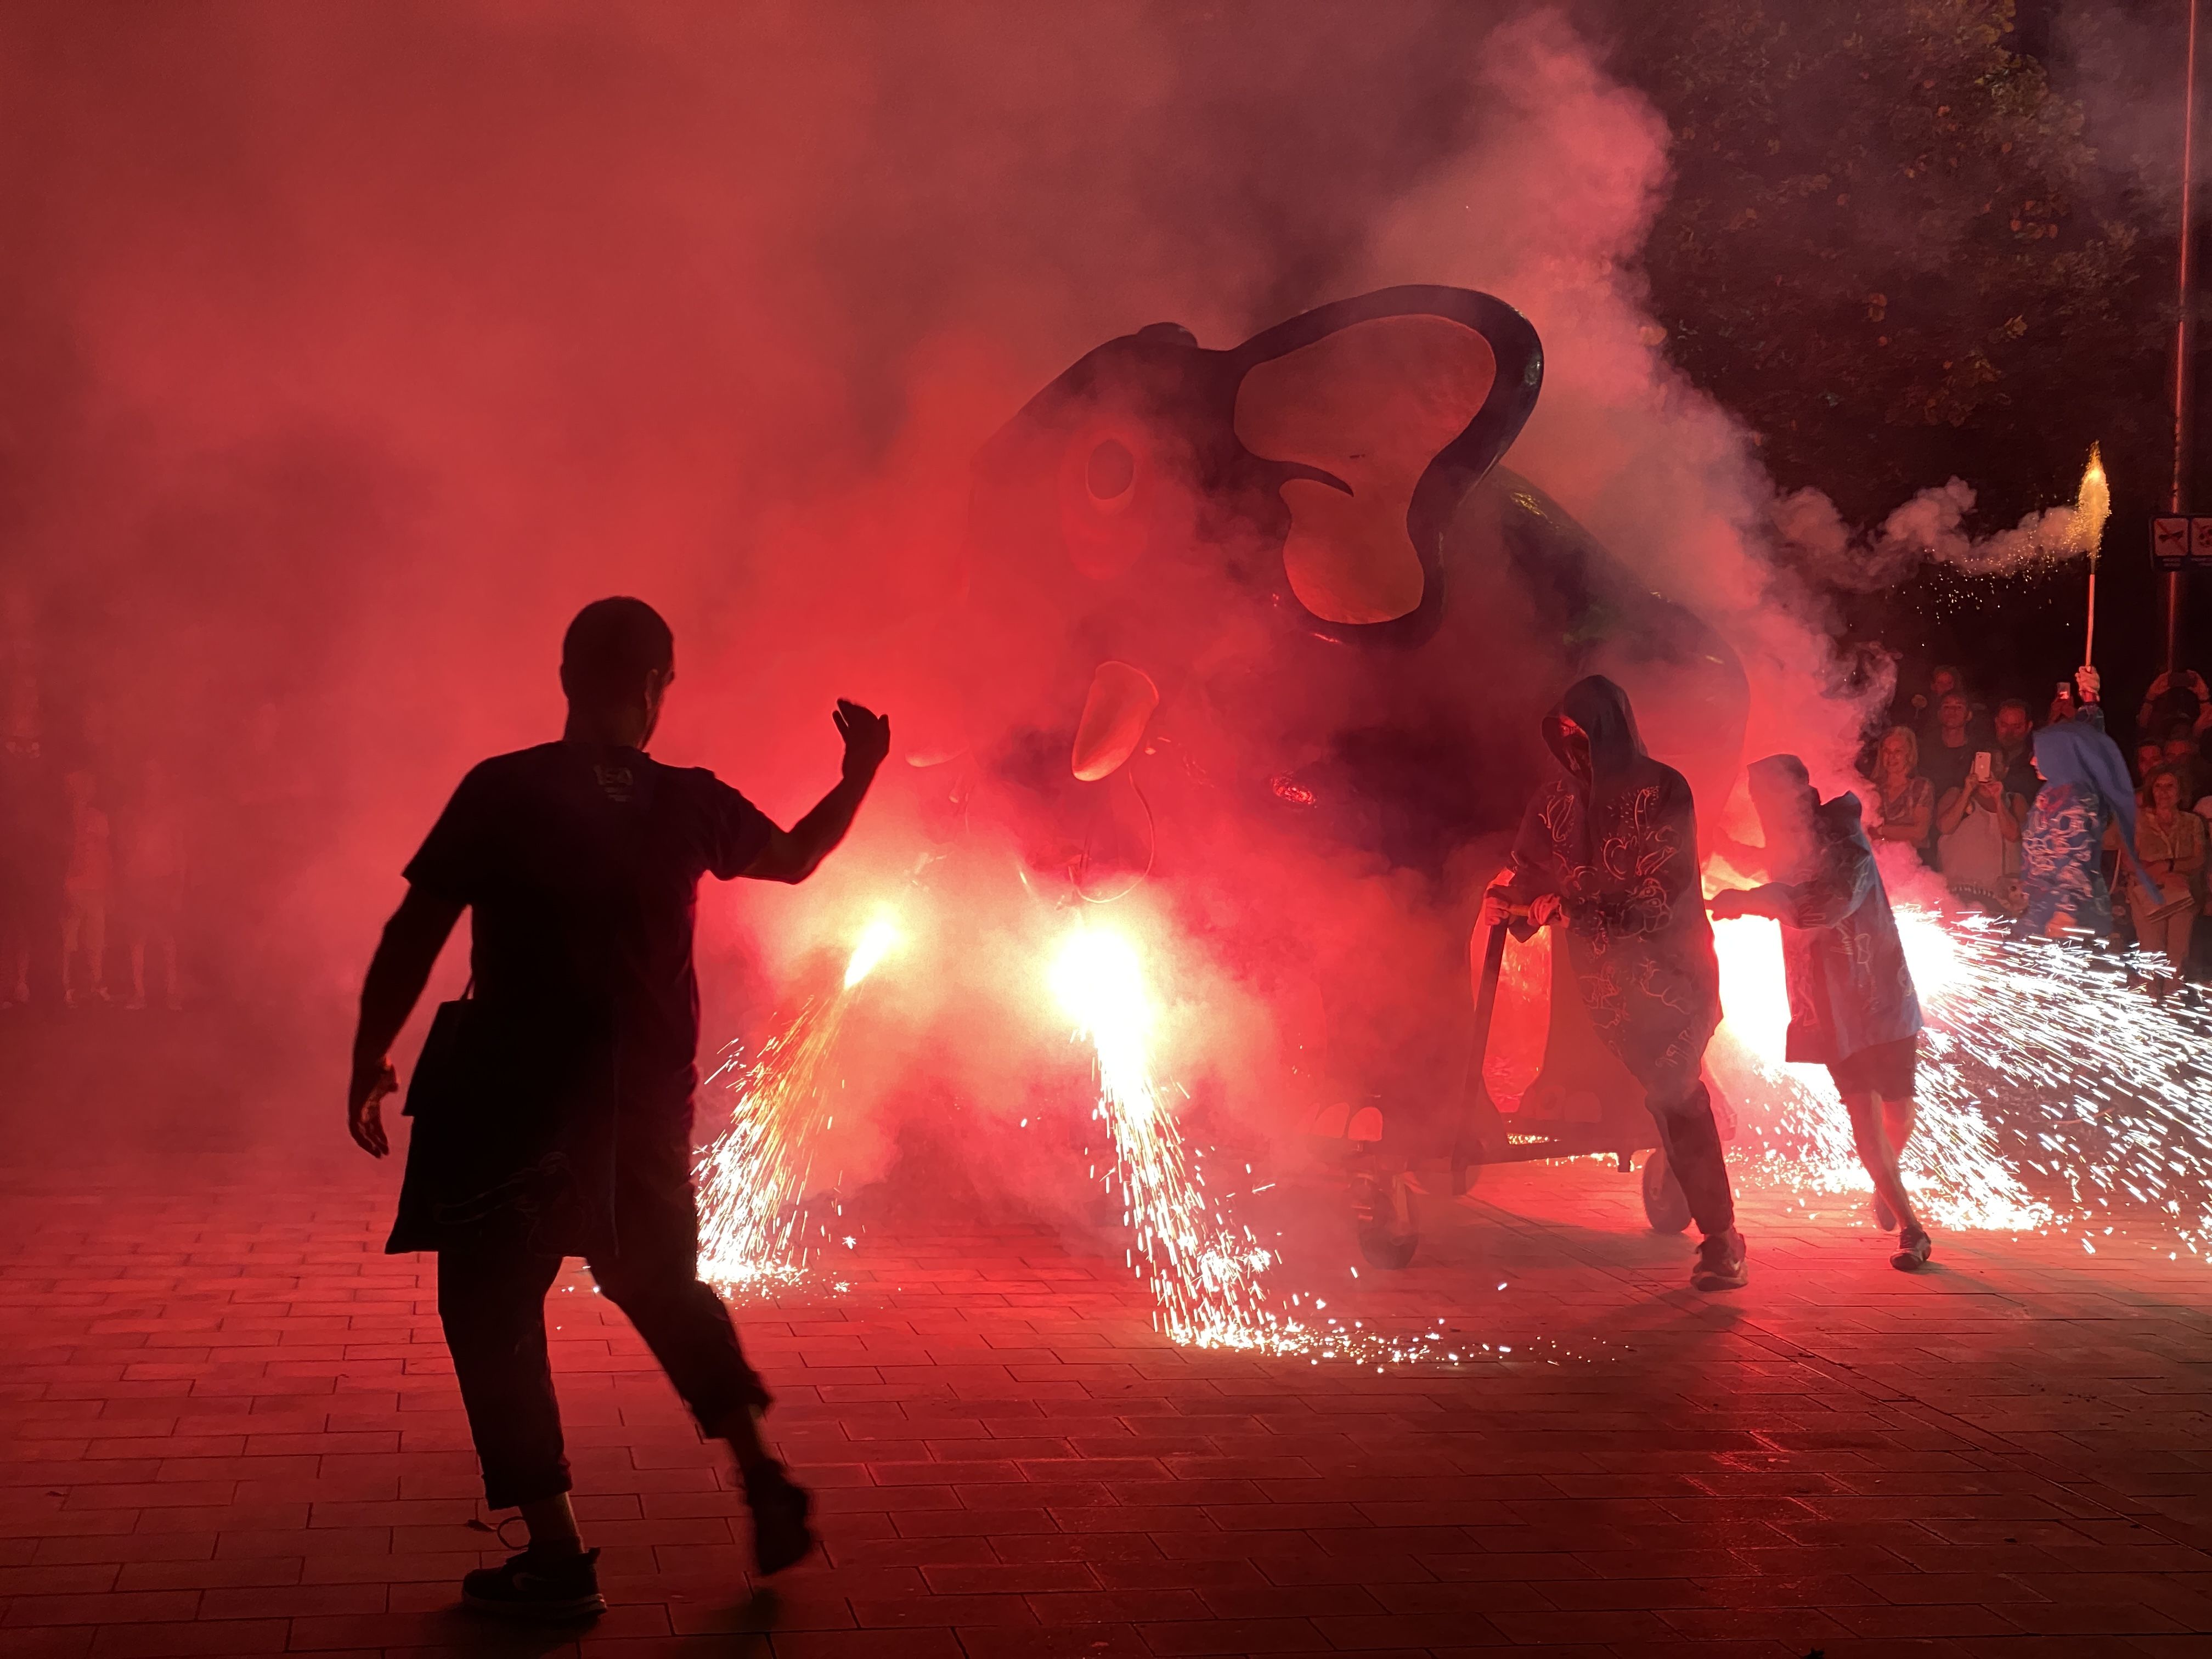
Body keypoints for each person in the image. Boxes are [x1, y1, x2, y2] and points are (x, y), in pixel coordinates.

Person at [346, 598, 890, 1621]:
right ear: (651, 686)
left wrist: (371, 1050)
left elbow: (416, 925)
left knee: (491, 1307)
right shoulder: (687, 801)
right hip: (643, 1102)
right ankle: (762, 1471)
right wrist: (859, 773)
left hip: (516, 1107)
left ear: (566, 676)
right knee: (661, 1284)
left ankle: (556, 1557)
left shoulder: (502, 789)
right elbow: (797, 857)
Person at [1480, 675, 1745, 1291]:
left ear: (1611, 730)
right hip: (1608, 989)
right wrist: (1509, 900)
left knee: (1677, 1090)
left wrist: (1579, 911)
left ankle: (1723, 1240)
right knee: (1661, 1094)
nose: (1573, 747)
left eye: (1584, 733)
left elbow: (1664, 887)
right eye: (1563, 735)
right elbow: (1531, 868)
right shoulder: (1554, 800)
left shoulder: (1664, 791)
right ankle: (1701, 1207)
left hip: (1675, 977)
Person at [1707, 755, 1932, 1270]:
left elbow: (1829, 902)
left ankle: (1887, 1182)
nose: (1763, 811)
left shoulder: (1842, 835)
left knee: (1898, 1107)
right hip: (1829, 1011)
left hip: (1880, 996)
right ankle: (1913, 1229)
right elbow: (1761, 865)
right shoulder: (1789, 845)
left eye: (1768, 800)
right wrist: (1717, 845)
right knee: (1862, 1113)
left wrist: (1752, 900)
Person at [2019, 686, 2156, 944]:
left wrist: (2065, 913)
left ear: (2059, 756)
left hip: (2069, 913)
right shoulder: (2054, 792)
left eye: (2039, 755)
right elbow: (2086, 742)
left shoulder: (2074, 800)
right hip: (2044, 904)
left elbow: (2075, 856)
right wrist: (2090, 703)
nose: (2033, 762)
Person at [2125, 765, 2203, 991]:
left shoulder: (2192, 822)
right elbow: (2130, 862)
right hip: (2148, 894)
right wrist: (2163, 875)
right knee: (2151, 954)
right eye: (2158, 786)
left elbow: (2198, 859)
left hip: (2183, 896)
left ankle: (2171, 1010)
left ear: (2180, 791)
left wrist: (2167, 866)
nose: (2163, 792)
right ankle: (2150, 1008)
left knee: (2177, 958)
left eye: (2170, 786)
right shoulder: (2139, 821)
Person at [120, 757, 185, 1011]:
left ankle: (172, 993)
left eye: (155, 774)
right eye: (147, 774)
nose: (151, 780)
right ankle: (139, 994)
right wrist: (126, 881)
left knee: (167, 938)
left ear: (163, 779)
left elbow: (180, 851)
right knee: (137, 938)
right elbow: (124, 849)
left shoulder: (172, 812)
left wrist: (178, 888)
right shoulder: (131, 810)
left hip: (163, 880)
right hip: (138, 881)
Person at [1932, 745, 2020, 914]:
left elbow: (2013, 835)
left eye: (1996, 764)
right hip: (1960, 893)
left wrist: (1998, 799)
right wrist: (1967, 791)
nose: (1990, 769)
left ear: (2006, 770)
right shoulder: (1955, 794)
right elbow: (1945, 827)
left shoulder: (2015, 801)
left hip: (2002, 899)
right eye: (1986, 762)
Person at [60, 768, 111, 1006]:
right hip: (72, 885)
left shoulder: (98, 817)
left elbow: (104, 853)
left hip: (96, 886)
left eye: (89, 786)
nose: (85, 791)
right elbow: (62, 852)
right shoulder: (65, 819)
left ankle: (96, 984)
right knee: (70, 938)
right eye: (80, 786)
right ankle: (67, 986)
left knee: (96, 939)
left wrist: (107, 883)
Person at [1866, 726, 1933, 857]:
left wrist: (1881, 831)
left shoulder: (1921, 787)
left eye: (1898, 752)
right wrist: (1901, 834)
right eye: (1887, 751)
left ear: (1909, 755)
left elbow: (1920, 833)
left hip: (1914, 865)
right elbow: (1866, 832)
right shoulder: (1872, 789)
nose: (1891, 757)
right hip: (1878, 861)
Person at [1917, 691, 1980, 828]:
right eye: (1946, 707)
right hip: (1925, 822)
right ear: (1939, 714)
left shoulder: (1977, 752)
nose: (1952, 711)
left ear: (1969, 715)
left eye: (1959, 707)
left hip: (1962, 825)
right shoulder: (1923, 748)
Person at [1993, 698, 2038, 808]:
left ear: (2029, 726)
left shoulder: (2036, 764)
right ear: (1997, 723)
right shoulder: (1981, 755)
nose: (2010, 733)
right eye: (2004, 725)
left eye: (2017, 727)